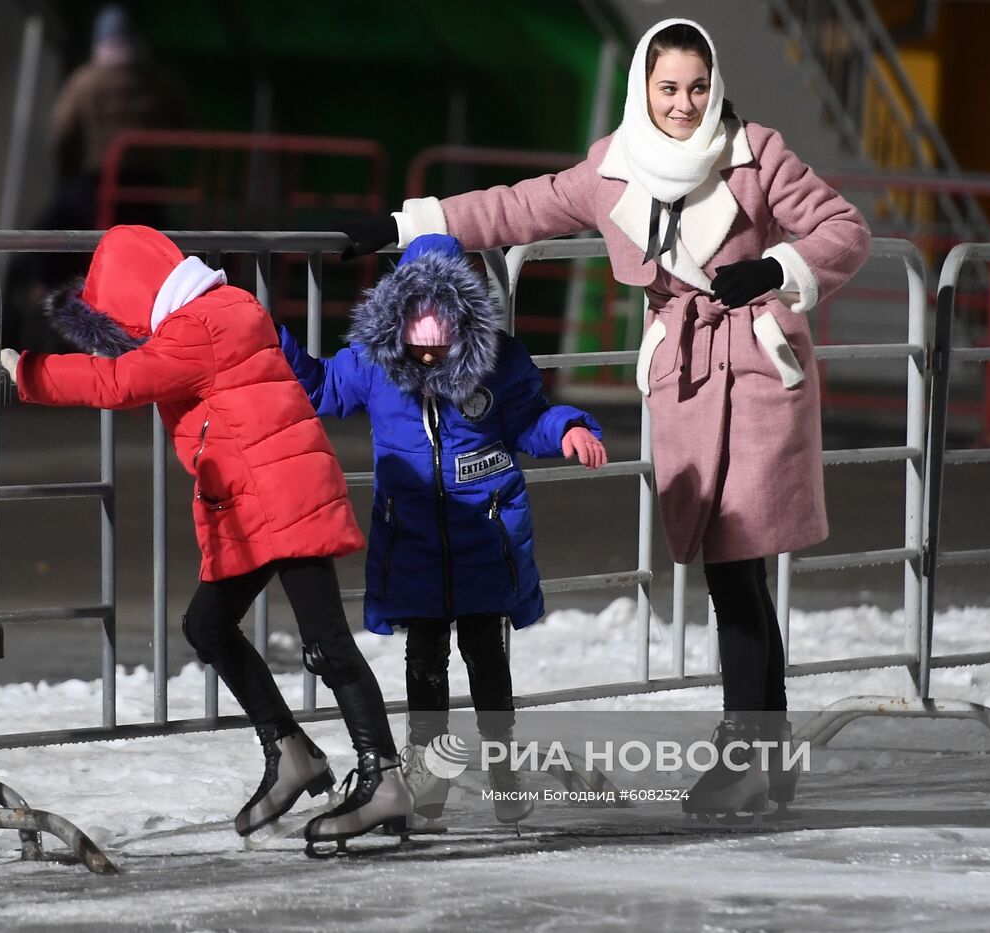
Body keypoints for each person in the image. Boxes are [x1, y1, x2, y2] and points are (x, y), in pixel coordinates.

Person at [340, 18, 871, 818]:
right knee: (737, 572)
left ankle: (749, 752)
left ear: (715, 83)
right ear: (643, 90)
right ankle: (768, 752)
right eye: (668, 88)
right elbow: (516, 208)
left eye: (697, 87)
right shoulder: (612, 169)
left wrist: (778, 265)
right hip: (688, 380)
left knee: (738, 567)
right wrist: (406, 225)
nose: (685, 104)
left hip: (760, 376)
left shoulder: (755, 151)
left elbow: (845, 229)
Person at [0, 224, 411, 852]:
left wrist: (28, 370)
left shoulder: (198, 329)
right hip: (258, 495)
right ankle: (291, 750)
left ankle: (382, 775)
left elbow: (117, 383)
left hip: (277, 494)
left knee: (326, 642)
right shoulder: (229, 308)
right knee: (207, 626)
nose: (128, 332)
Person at [278, 234, 608, 828]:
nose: (429, 362)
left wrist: (566, 430)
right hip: (413, 540)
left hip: (485, 533)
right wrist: (269, 341)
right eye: (418, 351)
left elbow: (531, 417)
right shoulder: (374, 366)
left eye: (442, 350)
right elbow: (321, 386)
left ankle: (502, 762)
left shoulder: (501, 362)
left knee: (486, 650)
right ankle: (427, 769)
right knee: (424, 656)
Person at [10, 4, 192, 352]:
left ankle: (39, 288)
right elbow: (185, 121)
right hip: (149, 191)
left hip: (98, 186)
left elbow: (62, 132)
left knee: (50, 228)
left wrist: (68, 172)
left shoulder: (87, 81)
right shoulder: (158, 80)